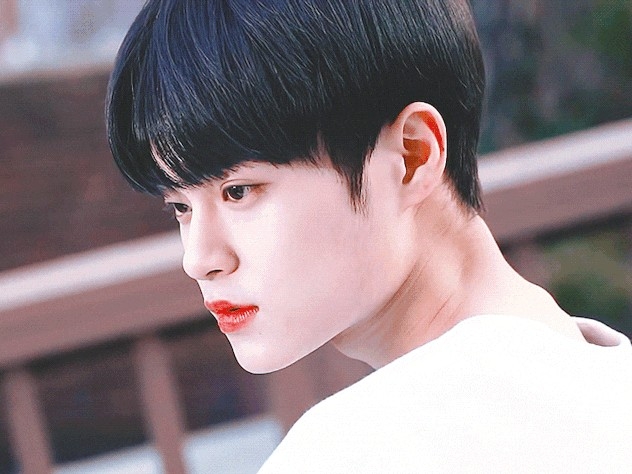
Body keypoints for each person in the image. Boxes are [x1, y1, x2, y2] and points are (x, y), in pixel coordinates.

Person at [106, 0, 632, 471]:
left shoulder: (354, 451)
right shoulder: (604, 381)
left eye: (238, 192)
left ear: (412, 156)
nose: (199, 258)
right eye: (180, 207)